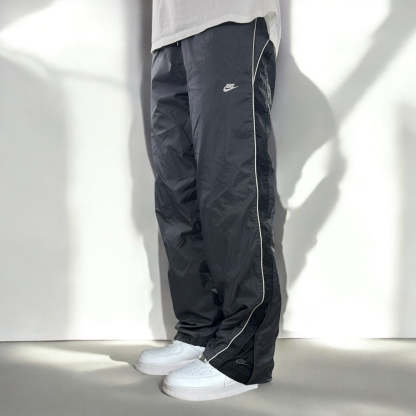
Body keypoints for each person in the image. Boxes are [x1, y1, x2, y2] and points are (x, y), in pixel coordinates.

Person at [135, 0, 283, 401]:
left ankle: (243, 354)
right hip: (168, 32)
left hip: (229, 16)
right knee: (176, 192)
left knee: (229, 185)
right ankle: (199, 329)